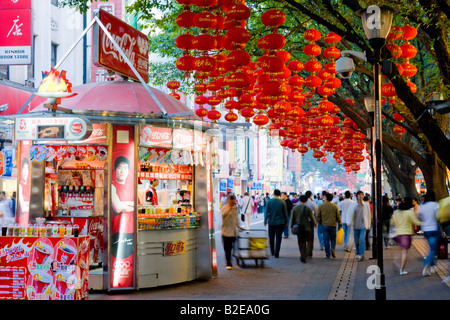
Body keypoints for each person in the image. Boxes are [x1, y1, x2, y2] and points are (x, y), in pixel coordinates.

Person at [390, 197, 422, 275]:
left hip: (398, 234)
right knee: (404, 253)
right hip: (406, 234)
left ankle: (396, 262)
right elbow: (416, 222)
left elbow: (392, 222)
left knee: (401, 250)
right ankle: (401, 269)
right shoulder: (409, 212)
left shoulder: (396, 212)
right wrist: (423, 223)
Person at [418, 190, 440, 277]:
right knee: (433, 249)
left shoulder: (422, 206)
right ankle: (427, 265)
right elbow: (438, 217)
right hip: (434, 228)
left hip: (425, 229)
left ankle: (433, 266)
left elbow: (419, 217)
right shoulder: (435, 205)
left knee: (431, 248)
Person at [221, 194, 243, 270]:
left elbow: (236, 219)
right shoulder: (224, 208)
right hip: (226, 232)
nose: (233, 201)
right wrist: (230, 208)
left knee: (235, 248)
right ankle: (228, 263)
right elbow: (223, 215)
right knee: (227, 249)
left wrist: (239, 226)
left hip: (234, 232)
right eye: (231, 200)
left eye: (234, 200)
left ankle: (234, 261)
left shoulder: (235, 208)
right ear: (228, 200)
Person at [291, 195, 316, 263]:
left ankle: (302, 255)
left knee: (301, 242)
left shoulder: (295, 208)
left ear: (300, 200)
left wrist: (291, 226)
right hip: (307, 228)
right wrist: (315, 225)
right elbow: (312, 218)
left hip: (299, 228)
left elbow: (292, 218)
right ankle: (306, 254)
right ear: (306, 200)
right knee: (309, 241)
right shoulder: (307, 209)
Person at [317, 192, 342, 259]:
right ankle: (333, 248)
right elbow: (338, 216)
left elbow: (318, 216)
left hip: (324, 225)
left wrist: (319, 222)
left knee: (326, 240)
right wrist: (339, 224)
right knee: (333, 239)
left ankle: (327, 255)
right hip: (333, 225)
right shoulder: (335, 206)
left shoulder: (321, 206)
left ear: (326, 198)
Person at [264, 189, 288, 258]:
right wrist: (286, 221)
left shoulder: (269, 201)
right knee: (278, 237)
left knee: (271, 237)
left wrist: (265, 220)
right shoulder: (282, 202)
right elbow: (285, 212)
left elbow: (266, 211)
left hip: (271, 222)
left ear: (274, 194)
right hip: (280, 223)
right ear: (280, 194)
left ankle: (272, 251)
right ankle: (277, 253)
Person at [351, 191, 371, 261]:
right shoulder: (354, 205)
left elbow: (368, 215)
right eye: (359, 195)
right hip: (355, 226)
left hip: (363, 225)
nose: (361, 196)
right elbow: (350, 215)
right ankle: (357, 253)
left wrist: (368, 225)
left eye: (362, 195)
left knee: (362, 239)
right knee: (356, 241)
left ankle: (362, 254)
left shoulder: (366, 204)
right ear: (357, 196)